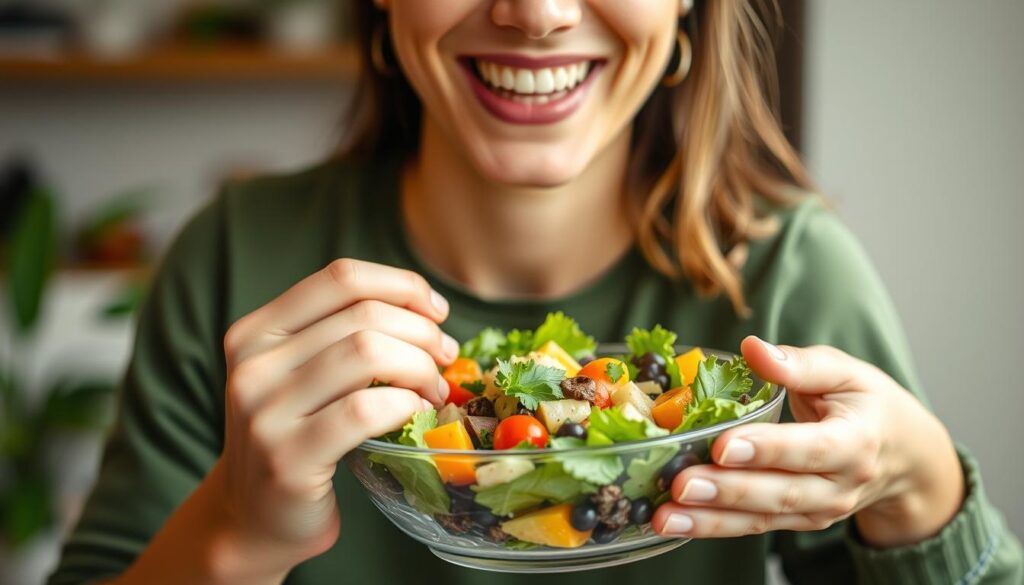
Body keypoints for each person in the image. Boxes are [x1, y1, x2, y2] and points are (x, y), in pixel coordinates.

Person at [49, 1, 1024, 584]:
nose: (536, 9)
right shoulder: (236, 259)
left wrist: (920, 489)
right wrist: (235, 531)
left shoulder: (790, 279)